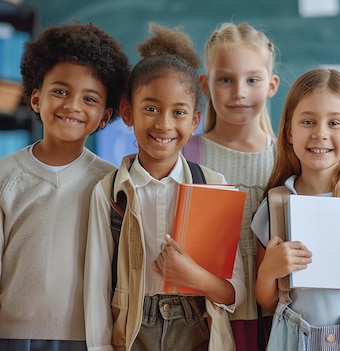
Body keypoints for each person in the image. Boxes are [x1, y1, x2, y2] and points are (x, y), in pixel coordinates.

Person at [83, 22, 245, 351]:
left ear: (194, 120)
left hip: (199, 328)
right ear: (128, 113)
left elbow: (234, 292)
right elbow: (96, 290)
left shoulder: (215, 187)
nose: (164, 124)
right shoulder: (110, 193)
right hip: (132, 332)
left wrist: (194, 276)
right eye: (151, 108)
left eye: (179, 112)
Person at [0, 22, 130, 351]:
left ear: (104, 116)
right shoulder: (5, 177)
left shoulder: (112, 183)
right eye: (60, 91)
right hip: (11, 336)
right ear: (35, 97)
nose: (72, 105)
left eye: (89, 98)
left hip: (89, 337)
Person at [251, 67, 340, 350]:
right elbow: (266, 300)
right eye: (308, 122)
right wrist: (270, 271)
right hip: (293, 339)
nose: (320, 133)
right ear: (289, 132)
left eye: (334, 123)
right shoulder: (275, 205)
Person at [183, 22, 280, 351]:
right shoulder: (187, 155)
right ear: (205, 85)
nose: (239, 91)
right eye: (225, 79)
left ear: (271, 85)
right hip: (208, 319)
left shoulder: (287, 159)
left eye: (252, 79)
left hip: (277, 320)